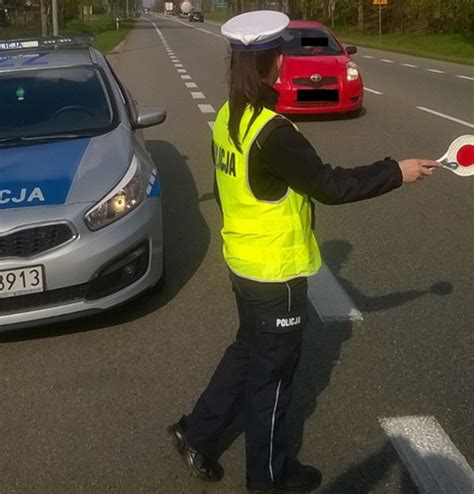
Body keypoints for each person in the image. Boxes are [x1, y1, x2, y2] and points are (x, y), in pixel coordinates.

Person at [168, 10, 440, 494]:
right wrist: (396, 171)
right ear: (273, 63)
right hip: (276, 274)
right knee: (272, 380)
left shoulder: (231, 116)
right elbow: (331, 185)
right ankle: (268, 479)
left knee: (246, 352)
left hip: (243, 265)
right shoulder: (274, 133)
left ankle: (197, 433)